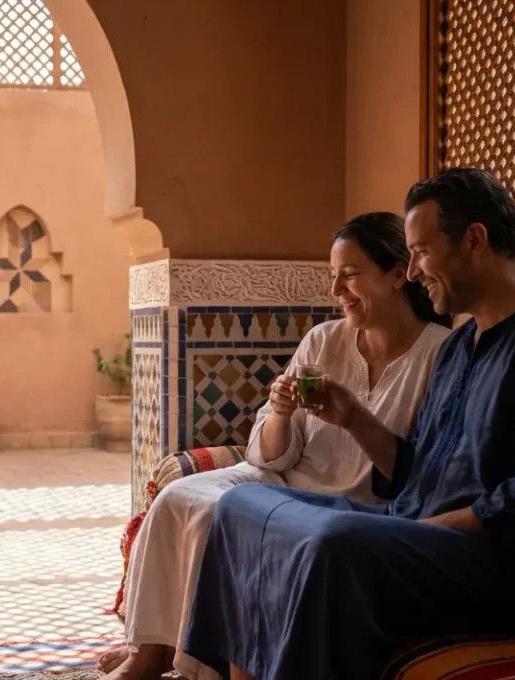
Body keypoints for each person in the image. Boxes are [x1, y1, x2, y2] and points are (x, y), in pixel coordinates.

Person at [181, 168, 515, 680]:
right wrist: (353, 418)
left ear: (475, 240)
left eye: (421, 251)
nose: (413, 271)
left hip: (504, 567)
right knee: (241, 505)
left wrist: (414, 529)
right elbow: (420, 469)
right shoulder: (462, 345)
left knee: (336, 544)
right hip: (425, 542)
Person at [100, 213, 453, 680]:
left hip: (351, 502)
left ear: (396, 274)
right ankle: (152, 650)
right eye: (334, 276)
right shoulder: (324, 340)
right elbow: (269, 456)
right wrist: (282, 413)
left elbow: (419, 466)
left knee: (215, 515)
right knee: (179, 498)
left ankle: (194, 660)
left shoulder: (439, 354)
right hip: (280, 477)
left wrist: (353, 417)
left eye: (349, 275)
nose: (336, 291)